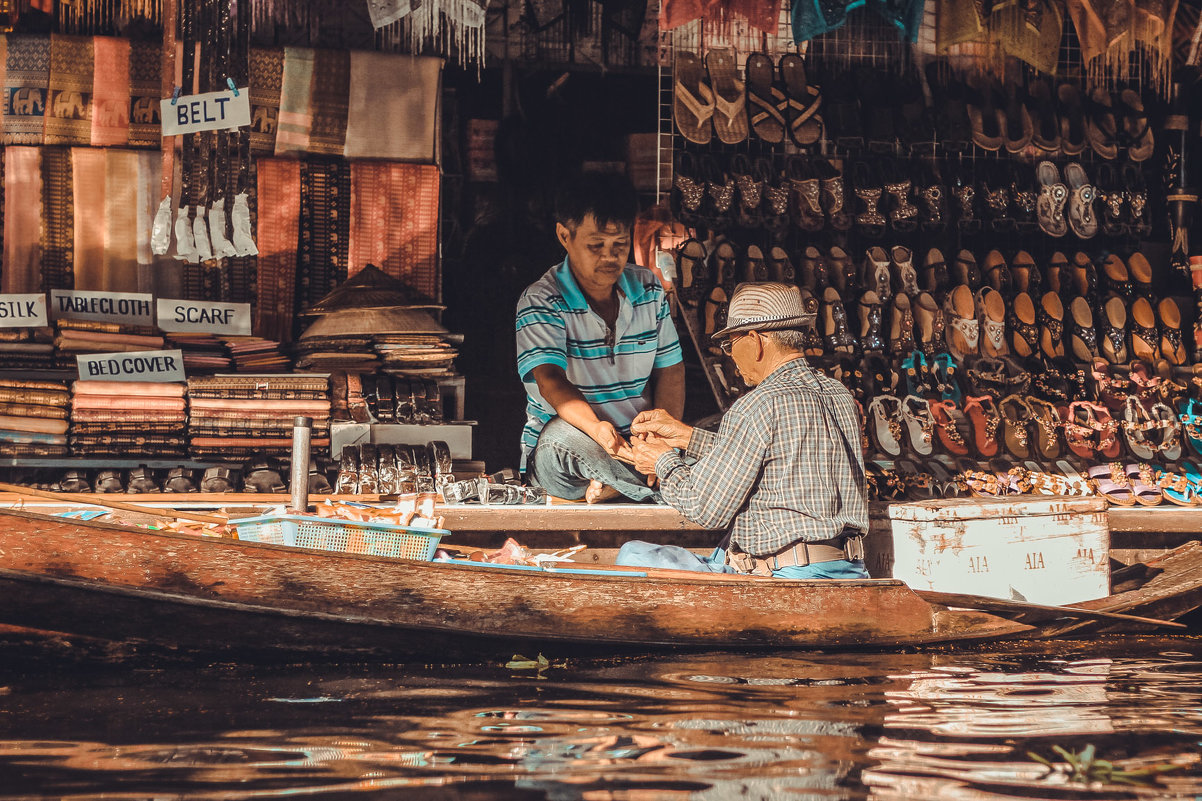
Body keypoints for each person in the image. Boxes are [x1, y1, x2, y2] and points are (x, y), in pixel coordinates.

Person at [620, 282, 869, 579]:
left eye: (730, 344)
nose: (730, 357)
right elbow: (775, 457)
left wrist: (662, 462)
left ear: (755, 340)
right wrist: (688, 437)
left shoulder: (758, 404)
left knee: (632, 555)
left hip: (787, 577)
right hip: (850, 569)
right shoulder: (838, 394)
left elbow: (706, 509)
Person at [515, 172, 685, 503]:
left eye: (619, 245)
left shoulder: (649, 290)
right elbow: (550, 380)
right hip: (573, 443)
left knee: (722, 430)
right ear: (564, 236)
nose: (609, 257)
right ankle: (668, 485)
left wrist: (659, 438)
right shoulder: (541, 300)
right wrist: (596, 429)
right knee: (560, 440)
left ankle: (620, 486)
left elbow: (671, 370)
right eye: (596, 245)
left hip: (636, 442)